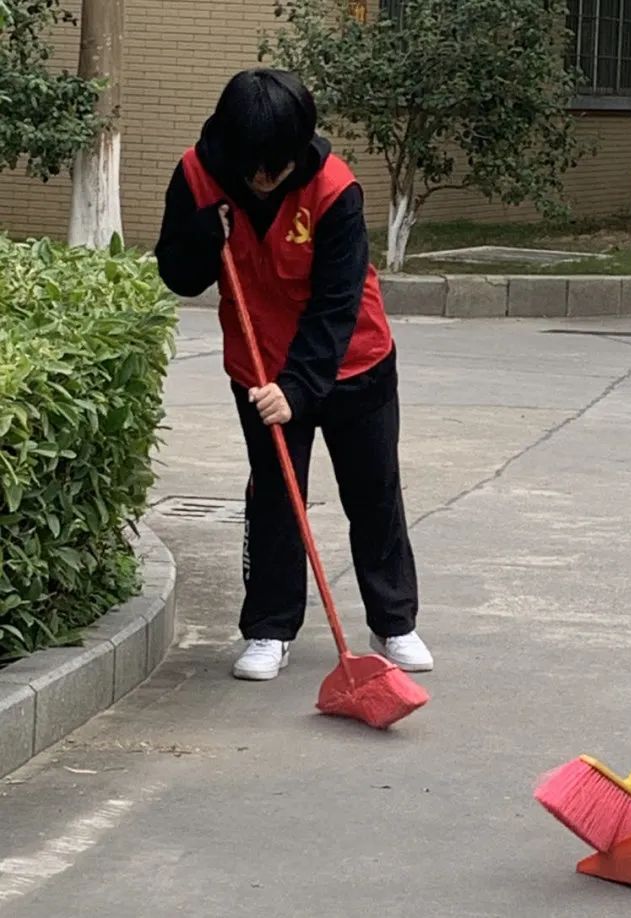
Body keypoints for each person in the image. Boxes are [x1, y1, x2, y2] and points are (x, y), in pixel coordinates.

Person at [155, 69, 433, 681]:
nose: (262, 179)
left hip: (354, 363)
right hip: (257, 365)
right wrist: (201, 238)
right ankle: (270, 628)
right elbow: (178, 274)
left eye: (275, 168)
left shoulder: (335, 188)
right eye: (252, 167)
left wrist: (300, 389)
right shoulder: (198, 175)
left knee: (373, 493)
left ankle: (394, 622)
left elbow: (337, 305)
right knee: (276, 498)